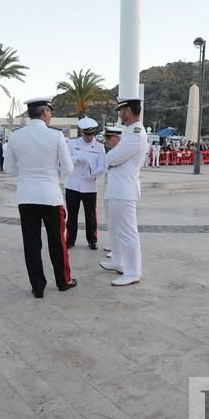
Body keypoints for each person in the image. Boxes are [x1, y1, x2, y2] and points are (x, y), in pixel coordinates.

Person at [3, 96, 76, 298]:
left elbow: (7, 167)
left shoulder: (16, 136)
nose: (50, 115)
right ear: (44, 112)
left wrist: (27, 176)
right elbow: (68, 168)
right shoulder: (56, 136)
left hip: (26, 197)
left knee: (31, 243)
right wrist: (51, 177)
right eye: (50, 112)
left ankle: (38, 287)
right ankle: (63, 281)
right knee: (57, 241)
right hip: (50, 196)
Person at [99, 96, 148, 286]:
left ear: (128, 110)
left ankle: (133, 271)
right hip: (117, 188)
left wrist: (111, 156)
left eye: (121, 110)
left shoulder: (135, 133)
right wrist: (112, 157)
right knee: (118, 229)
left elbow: (112, 157)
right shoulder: (128, 132)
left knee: (128, 231)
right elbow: (114, 157)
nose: (119, 114)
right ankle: (119, 262)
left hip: (124, 190)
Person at [65, 116, 106, 250]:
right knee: (72, 215)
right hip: (73, 184)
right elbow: (65, 159)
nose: (89, 137)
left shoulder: (99, 147)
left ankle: (92, 240)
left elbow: (102, 166)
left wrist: (95, 174)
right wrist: (77, 159)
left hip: (89, 185)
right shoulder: (72, 144)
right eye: (86, 134)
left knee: (91, 215)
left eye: (91, 134)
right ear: (81, 132)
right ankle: (70, 240)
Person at [102, 126, 123, 259]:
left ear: (115, 139)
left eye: (108, 138)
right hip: (109, 189)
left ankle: (118, 248)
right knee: (110, 219)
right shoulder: (111, 152)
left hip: (117, 190)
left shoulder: (120, 153)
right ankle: (113, 244)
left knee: (117, 221)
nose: (106, 141)